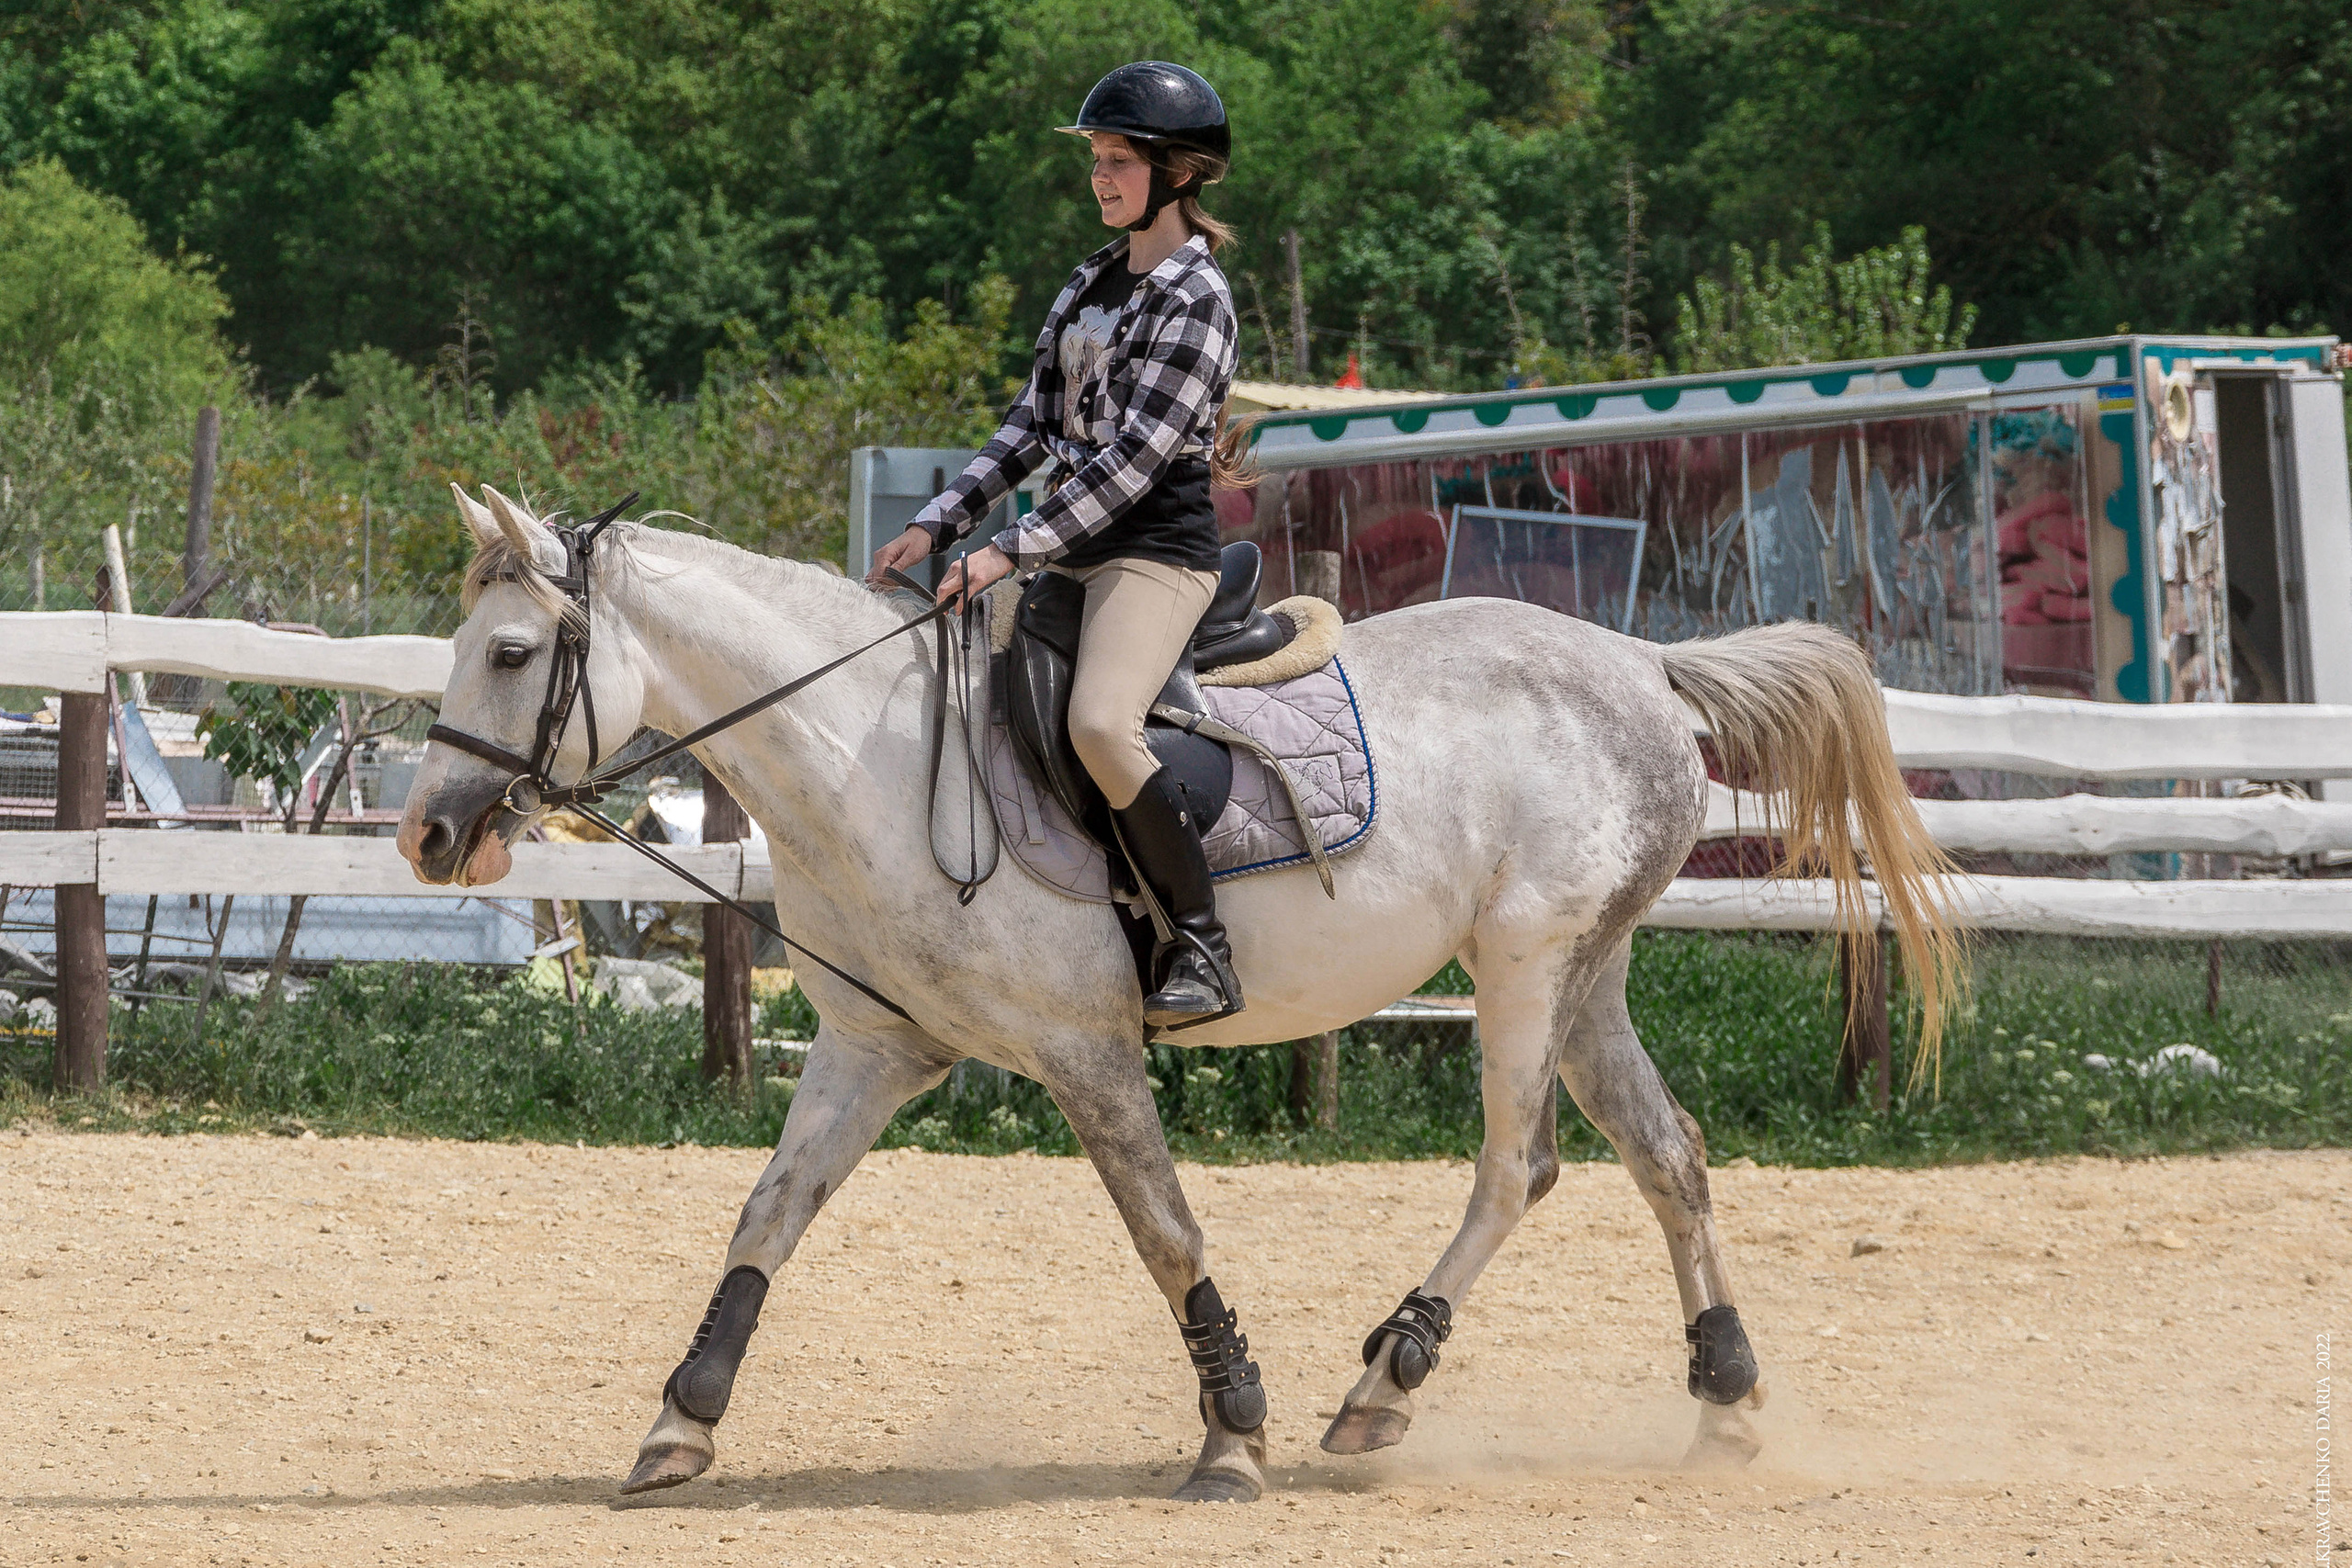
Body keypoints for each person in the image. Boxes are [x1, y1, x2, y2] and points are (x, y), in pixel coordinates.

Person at [865, 61, 1250, 1027]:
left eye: (1120, 162)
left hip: (1153, 556)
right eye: (1097, 163)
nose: (1102, 179)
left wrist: (1007, 549)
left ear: (1180, 174)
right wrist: (937, 520)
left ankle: (1202, 946)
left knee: (1098, 727)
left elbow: (1133, 463)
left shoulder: (1196, 297)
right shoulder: (1090, 282)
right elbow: (1027, 428)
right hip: (1068, 547)